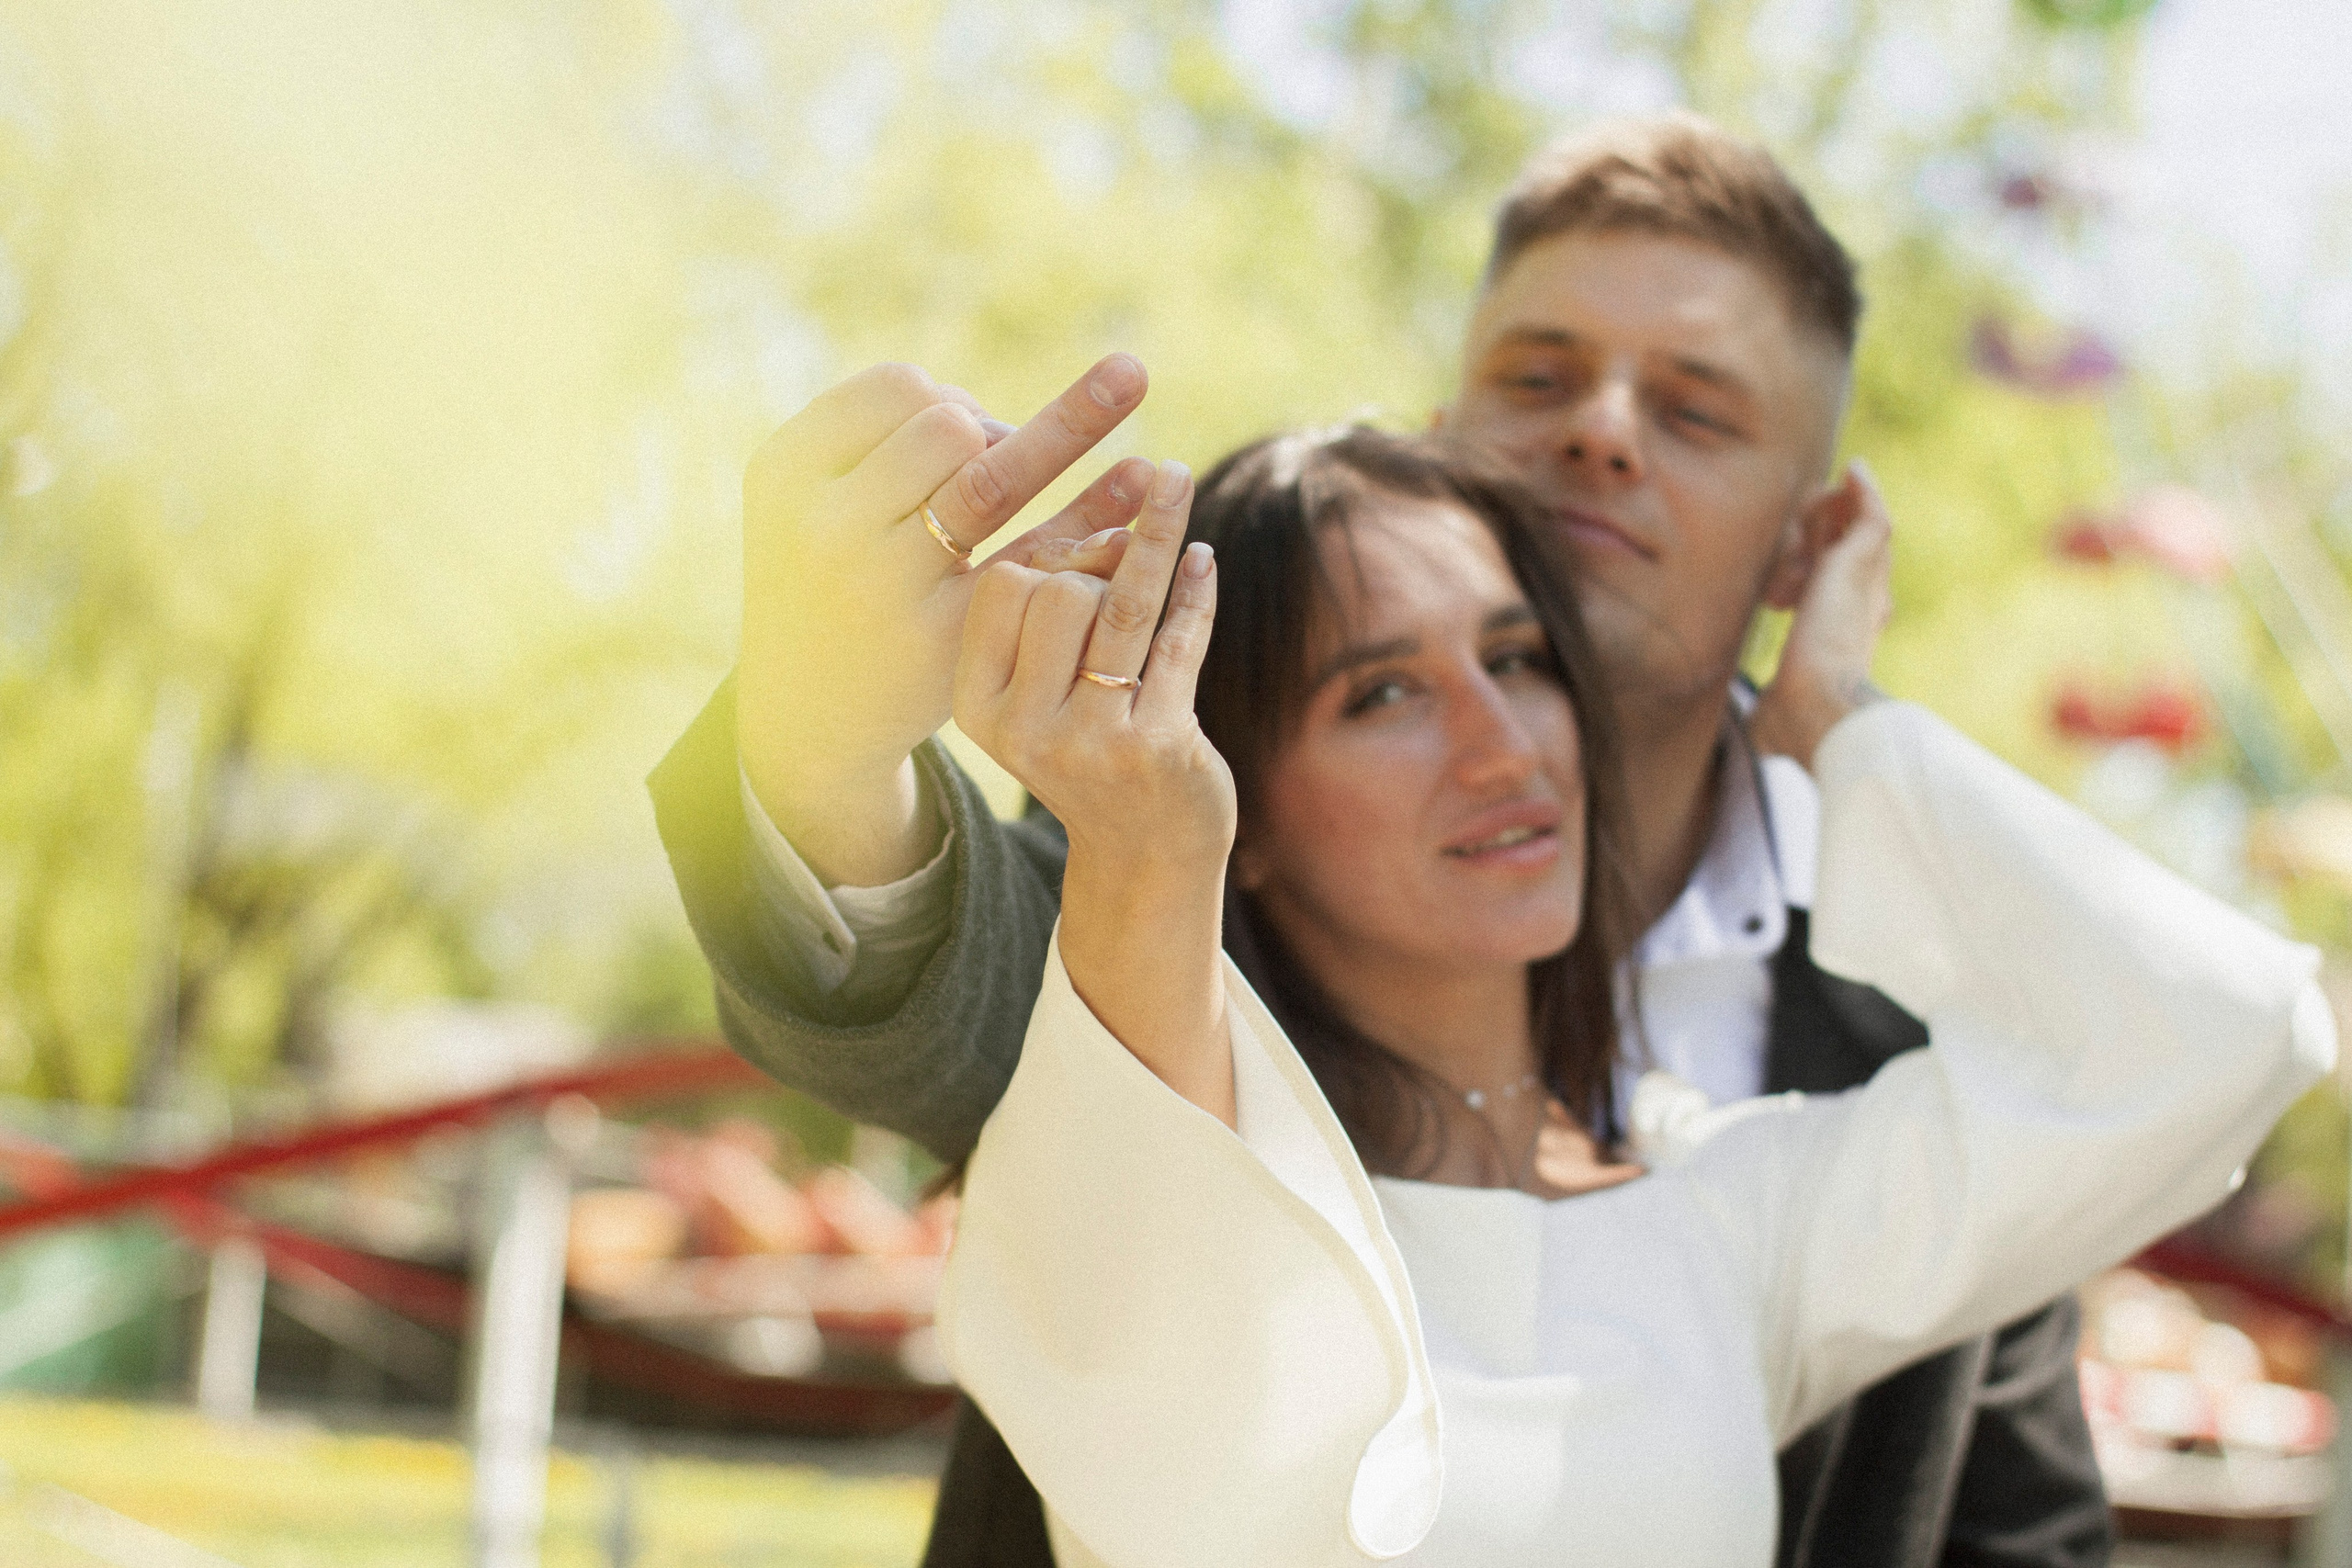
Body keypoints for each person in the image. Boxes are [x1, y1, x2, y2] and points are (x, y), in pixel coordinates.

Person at [650, 116, 2109, 1563]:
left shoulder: (1918, 1048)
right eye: (1541, 375)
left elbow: (2022, 1542)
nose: (1602, 428)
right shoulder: (1180, 855)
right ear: (1446, 432)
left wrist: (1854, 751)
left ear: (1809, 543)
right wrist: (822, 751)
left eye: (1696, 410)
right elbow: (950, 988)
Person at [926, 422, 2331, 1566]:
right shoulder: (1156, 1195)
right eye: (1383, 697)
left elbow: (2223, 1037)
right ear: (1253, 814)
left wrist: (1829, 710)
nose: (1499, 746)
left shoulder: (1731, 1219)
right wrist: (1148, 851)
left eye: (1519, 659)